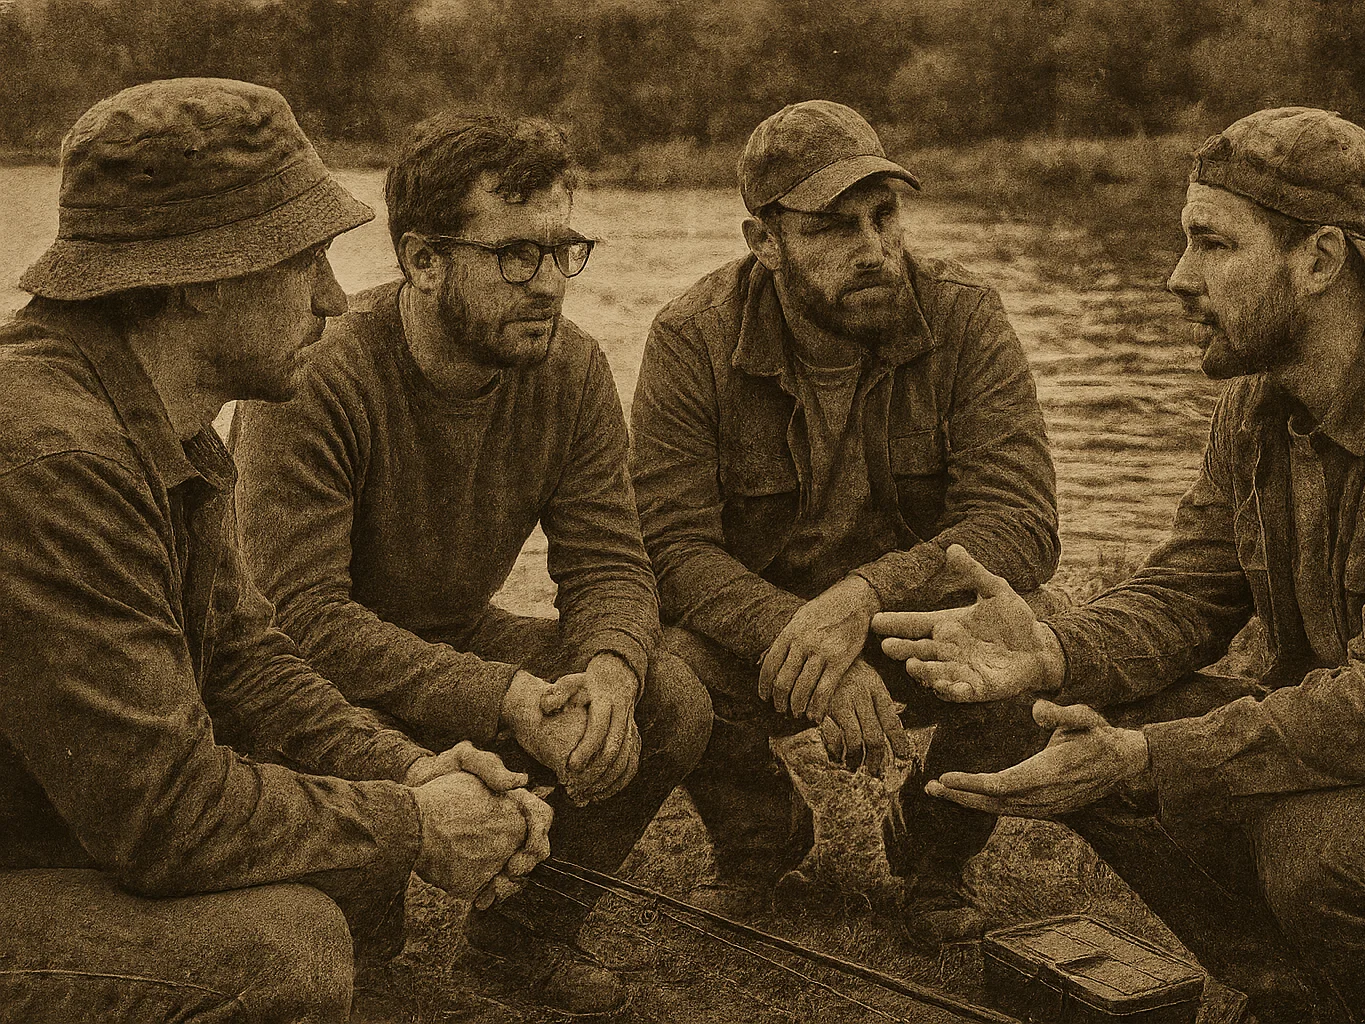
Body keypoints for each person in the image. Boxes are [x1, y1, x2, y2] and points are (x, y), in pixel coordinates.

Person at [877, 107, 1365, 1023]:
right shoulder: (1261, 400)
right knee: (1073, 718)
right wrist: (1050, 655)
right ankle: (1303, 996)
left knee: (1321, 848)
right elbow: (1186, 594)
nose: (1176, 278)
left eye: (1211, 244)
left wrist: (1145, 758)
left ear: (1320, 261)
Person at [0, 78, 554, 1024]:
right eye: (305, 264)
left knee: (323, 880)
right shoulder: (54, 461)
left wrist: (410, 770)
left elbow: (249, 664)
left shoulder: (160, 423)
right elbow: (163, 817)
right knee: (282, 950)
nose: (336, 301)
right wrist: (417, 825)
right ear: (201, 275)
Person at [230, 111, 712, 1017]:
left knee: (668, 694)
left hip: (448, 636)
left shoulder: (571, 370)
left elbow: (610, 561)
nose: (548, 286)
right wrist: (503, 700)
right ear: (422, 260)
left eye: (563, 251)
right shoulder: (322, 372)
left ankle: (519, 942)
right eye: (514, 256)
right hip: (304, 672)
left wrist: (608, 672)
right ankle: (366, 938)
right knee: (350, 972)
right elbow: (295, 615)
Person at [629, 99, 1059, 944]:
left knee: (1028, 637)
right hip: (766, 635)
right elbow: (672, 547)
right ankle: (760, 841)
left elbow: (1022, 523)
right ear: (764, 242)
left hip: (908, 620)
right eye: (831, 228)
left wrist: (863, 597)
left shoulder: (966, 316)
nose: (873, 251)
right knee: (664, 668)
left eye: (884, 216)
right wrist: (806, 638)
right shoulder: (690, 337)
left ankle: (935, 858)